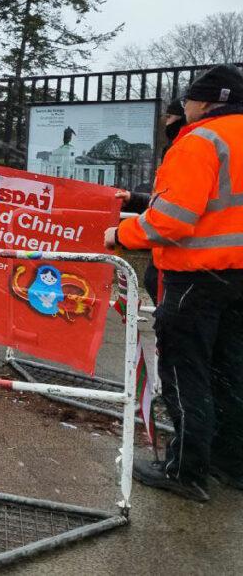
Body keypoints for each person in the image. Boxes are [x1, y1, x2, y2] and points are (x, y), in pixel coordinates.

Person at [105, 64, 243, 502]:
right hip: (237, 278)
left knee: (187, 371)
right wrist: (142, 201)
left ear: (204, 102)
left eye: (187, 102)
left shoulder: (201, 141)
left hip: (195, 278)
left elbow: (176, 221)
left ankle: (185, 470)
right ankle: (231, 461)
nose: (183, 110)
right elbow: (218, 205)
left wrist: (121, 235)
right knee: (230, 371)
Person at [116, 94, 186, 302]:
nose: (167, 121)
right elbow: (173, 199)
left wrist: (120, 234)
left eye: (171, 116)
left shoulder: (187, 150)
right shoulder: (178, 149)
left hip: (185, 264)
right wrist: (134, 198)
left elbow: (175, 209)